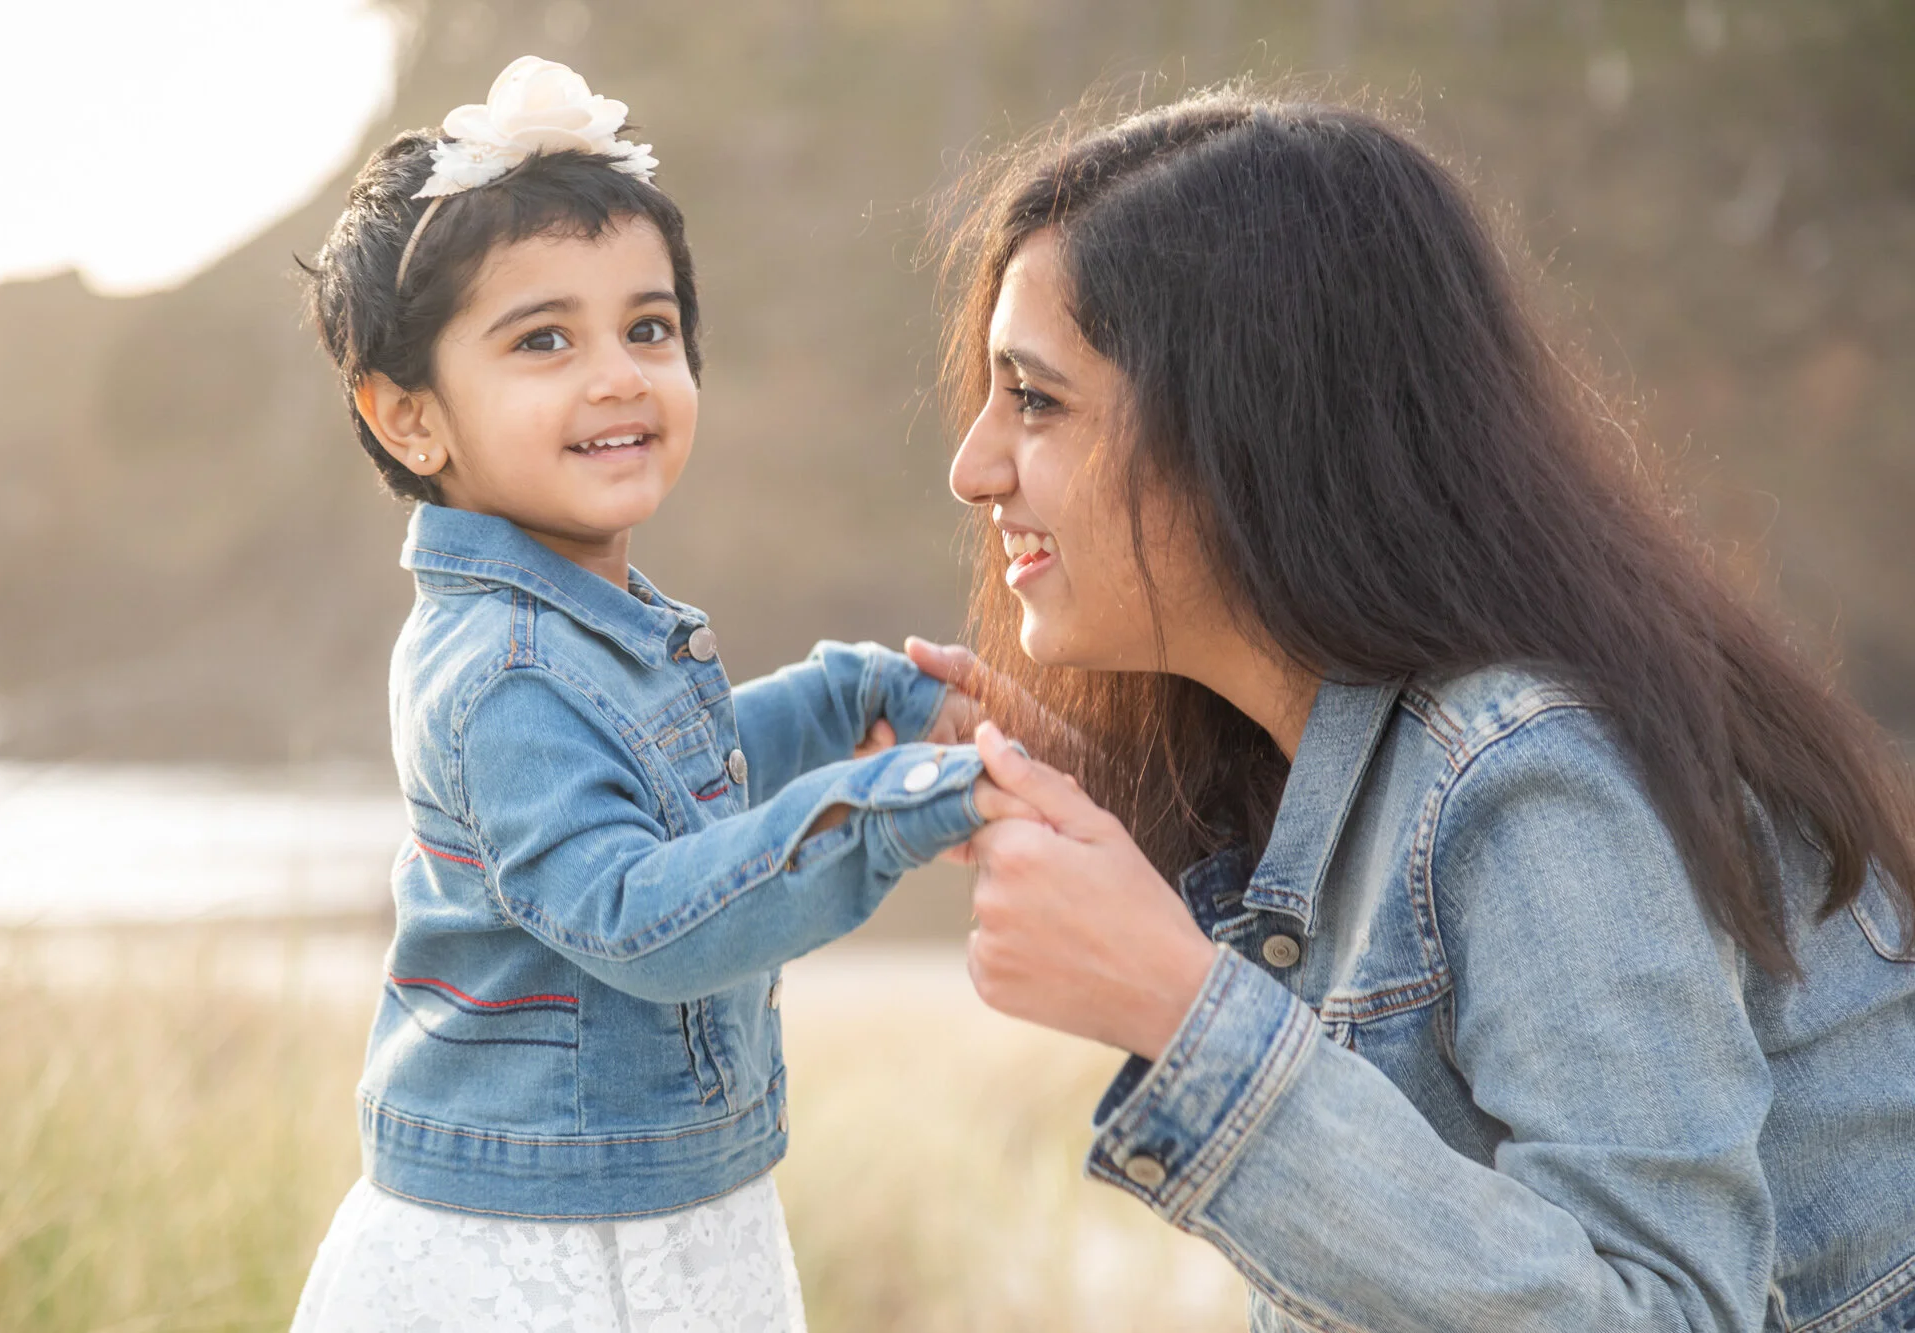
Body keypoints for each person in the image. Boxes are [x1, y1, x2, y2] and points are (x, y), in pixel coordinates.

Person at [912, 91, 1915, 1331]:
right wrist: (1105, 825)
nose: (973, 466)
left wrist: (1182, 1013)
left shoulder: (1534, 777)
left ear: (1249, 427)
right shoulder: (1358, 768)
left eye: (1036, 400)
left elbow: (1657, 1310)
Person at [289, 56, 1011, 1332]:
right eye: (543, 339)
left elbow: (671, 779)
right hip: (540, 1251)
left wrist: (846, 698)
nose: (617, 373)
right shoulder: (502, 669)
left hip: (651, 1209)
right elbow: (638, 912)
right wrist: (891, 805)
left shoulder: (579, 622)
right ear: (410, 419)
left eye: (649, 326)